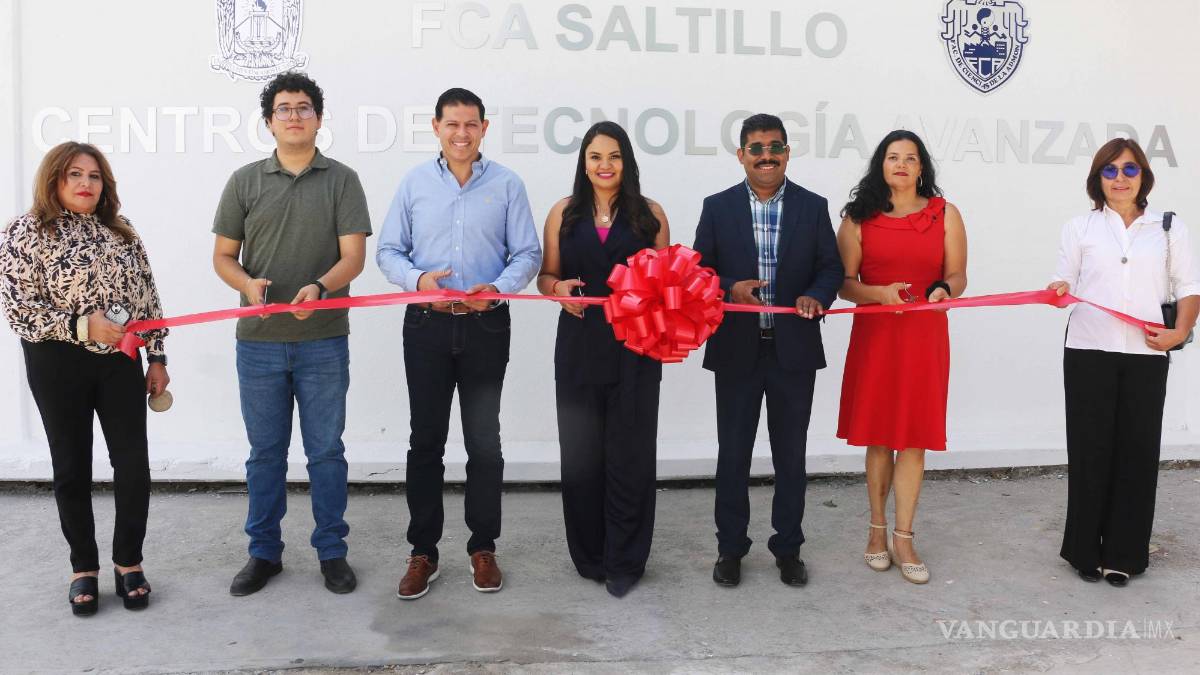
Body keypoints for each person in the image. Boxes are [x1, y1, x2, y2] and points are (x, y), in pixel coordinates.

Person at [212, 72, 372, 596]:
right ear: (268, 122)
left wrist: (321, 288)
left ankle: (332, 552)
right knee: (265, 454)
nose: (295, 116)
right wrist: (246, 286)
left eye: (304, 108)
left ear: (319, 118)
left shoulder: (342, 179)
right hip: (257, 343)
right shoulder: (244, 180)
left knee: (326, 451)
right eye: (284, 109)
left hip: (323, 338)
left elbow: (353, 257)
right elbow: (223, 257)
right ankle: (264, 554)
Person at [377, 87, 541, 600]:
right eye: (452, 124)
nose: (462, 133)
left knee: (483, 443)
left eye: (471, 124)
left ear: (485, 129)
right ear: (436, 127)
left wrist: (496, 290)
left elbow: (528, 254)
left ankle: (483, 546)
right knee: (424, 441)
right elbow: (387, 250)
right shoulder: (415, 183)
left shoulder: (508, 185)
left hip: (486, 326)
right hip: (426, 324)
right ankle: (422, 551)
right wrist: (419, 280)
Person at [0, 141, 169, 615]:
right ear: (53, 179)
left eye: (94, 176)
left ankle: (128, 562)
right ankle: (83, 569)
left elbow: (147, 300)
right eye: (74, 174)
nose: (85, 184)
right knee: (71, 466)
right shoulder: (26, 232)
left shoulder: (121, 231)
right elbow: (20, 312)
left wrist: (156, 356)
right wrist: (80, 326)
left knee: (133, 464)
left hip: (119, 361)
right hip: (56, 363)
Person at [692, 113, 844, 588]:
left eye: (775, 147)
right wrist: (729, 287)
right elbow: (699, 272)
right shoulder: (717, 207)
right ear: (741, 155)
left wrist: (817, 296)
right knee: (733, 455)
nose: (766, 156)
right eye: (756, 148)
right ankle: (730, 549)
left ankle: (788, 548)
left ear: (787, 153)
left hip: (793, 352)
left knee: (790, 457)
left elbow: (830, 268)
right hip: (736, 351)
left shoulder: (812, 206)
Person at [1047, 138, 1199, 587]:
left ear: (1144, 177)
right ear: (1097, 179)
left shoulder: (1168, 228)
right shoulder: (1079, 228)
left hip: (1147, 354)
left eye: (1129, 170)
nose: (1119, 179)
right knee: (1091, 451)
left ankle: (1124, 555)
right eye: (1110, 171)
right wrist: (1056, 291)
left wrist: (1180, 333)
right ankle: (1083, 552)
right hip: (1088, 350)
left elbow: (1188, 288)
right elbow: (1064, 281)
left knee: (1137, 452)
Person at [536, 122, 670, 598]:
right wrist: (556, 290)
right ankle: (590, 556)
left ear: (627, 161)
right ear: (584, 162)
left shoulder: (650, 214)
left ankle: (626, 560)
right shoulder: (563, 213)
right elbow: (546, 275)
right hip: (577, 345)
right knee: (581, 456)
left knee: (630, 456)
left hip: (636, 348)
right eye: (595, 156)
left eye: (614, 156)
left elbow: (670, 283)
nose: (605, 165)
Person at [835, 130, 968, 585]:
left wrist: (943, 290)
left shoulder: (945, 214)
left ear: (922, 167)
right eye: (893, 157)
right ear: (881, 165)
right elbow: (844, 284)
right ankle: (876, 531)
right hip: (876, 334)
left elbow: (957, 274)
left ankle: (905, 536)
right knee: (877, 436)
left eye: (911, 158)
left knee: (914, 438)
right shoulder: (857, 218)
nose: (902, 164)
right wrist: (879, 295)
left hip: (924, 335)